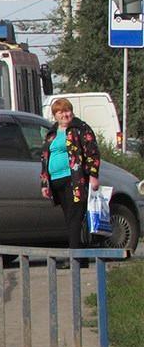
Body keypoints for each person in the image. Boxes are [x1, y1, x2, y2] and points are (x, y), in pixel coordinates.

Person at [39, 97, 101, 257]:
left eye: (67, 111)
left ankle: (74, 257)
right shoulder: (52, 133)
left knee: (75, 217)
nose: (65, 115)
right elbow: (44, 158)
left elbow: (92, 152)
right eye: (61, 112)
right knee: (70, 219)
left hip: (74, 181)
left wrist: (93, 175)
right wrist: (44, 184)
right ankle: (81, 256)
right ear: (55, 115)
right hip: (56, 181)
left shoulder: (80, 128)